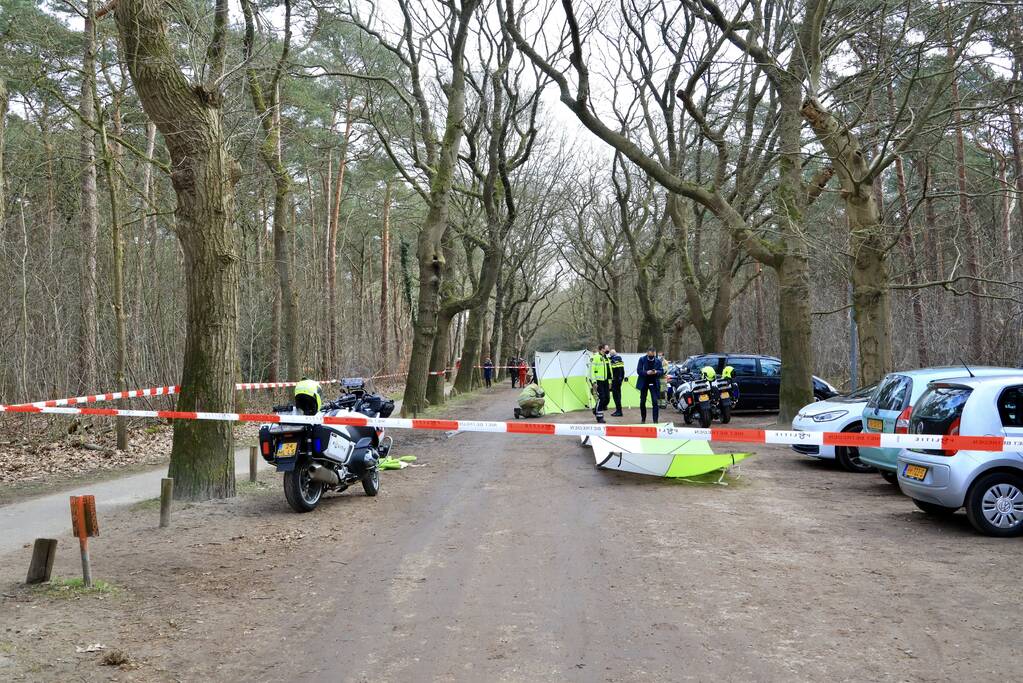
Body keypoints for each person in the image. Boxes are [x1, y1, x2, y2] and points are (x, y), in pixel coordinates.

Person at [636, 347, 665, 423]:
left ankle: (655, 421)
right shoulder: (642, 359)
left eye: (653, 355)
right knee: (642, 401)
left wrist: (656, 372)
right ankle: (643, 419)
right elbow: (639, 371)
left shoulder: (658, 361)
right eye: (650, 355)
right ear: (647, 353)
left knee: (655, 402)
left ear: (655, 354)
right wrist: (646, 372)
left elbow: (661, 371)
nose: (651, 356)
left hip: (654, 383)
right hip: (644, 383)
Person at [589, 344, 611, 423]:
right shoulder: (595, 357)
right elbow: (592, 370)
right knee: (601, 398)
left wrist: (609, 381)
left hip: (605, 381)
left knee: (607, 399)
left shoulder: (606, 358)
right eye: (607, 348)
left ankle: (596, 409)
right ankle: (599, 417)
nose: (608, 350)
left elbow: (609, 371)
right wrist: (594, 382)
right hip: (598, 381)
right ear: (602, 349)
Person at [608, 349, 625, 417]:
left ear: (611, 354)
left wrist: (614, 381)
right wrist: (621, 380)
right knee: (618, 395)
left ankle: (619, 411)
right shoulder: (619, 359)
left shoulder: (614, 360)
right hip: (619, 380)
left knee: (616, 396)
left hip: (615, 380)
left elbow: (615, 371)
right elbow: (622, 371)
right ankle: (618, 410)